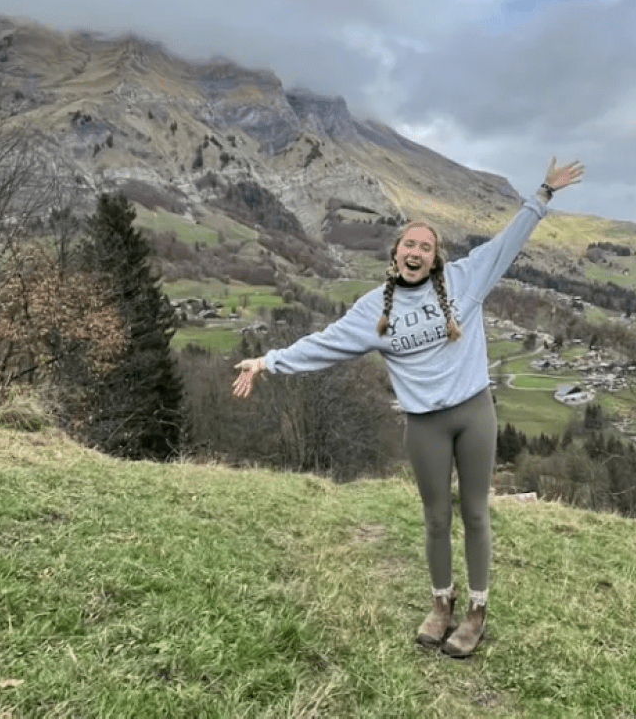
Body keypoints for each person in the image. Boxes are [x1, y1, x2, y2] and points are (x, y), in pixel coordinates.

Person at [232, 157, 584, 658]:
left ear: (435, 258)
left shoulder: (466, 280)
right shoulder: (375, 309)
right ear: (395, 255)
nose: (416, 251)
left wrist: (544, 192)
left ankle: (477, 612)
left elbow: (510, 240)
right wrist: (266, 362)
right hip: (424, 426)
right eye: (409, 245)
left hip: (474, 414)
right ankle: (442, 605)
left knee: (476, 514)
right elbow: (323, 344)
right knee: (436, 518)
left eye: (426, 245)